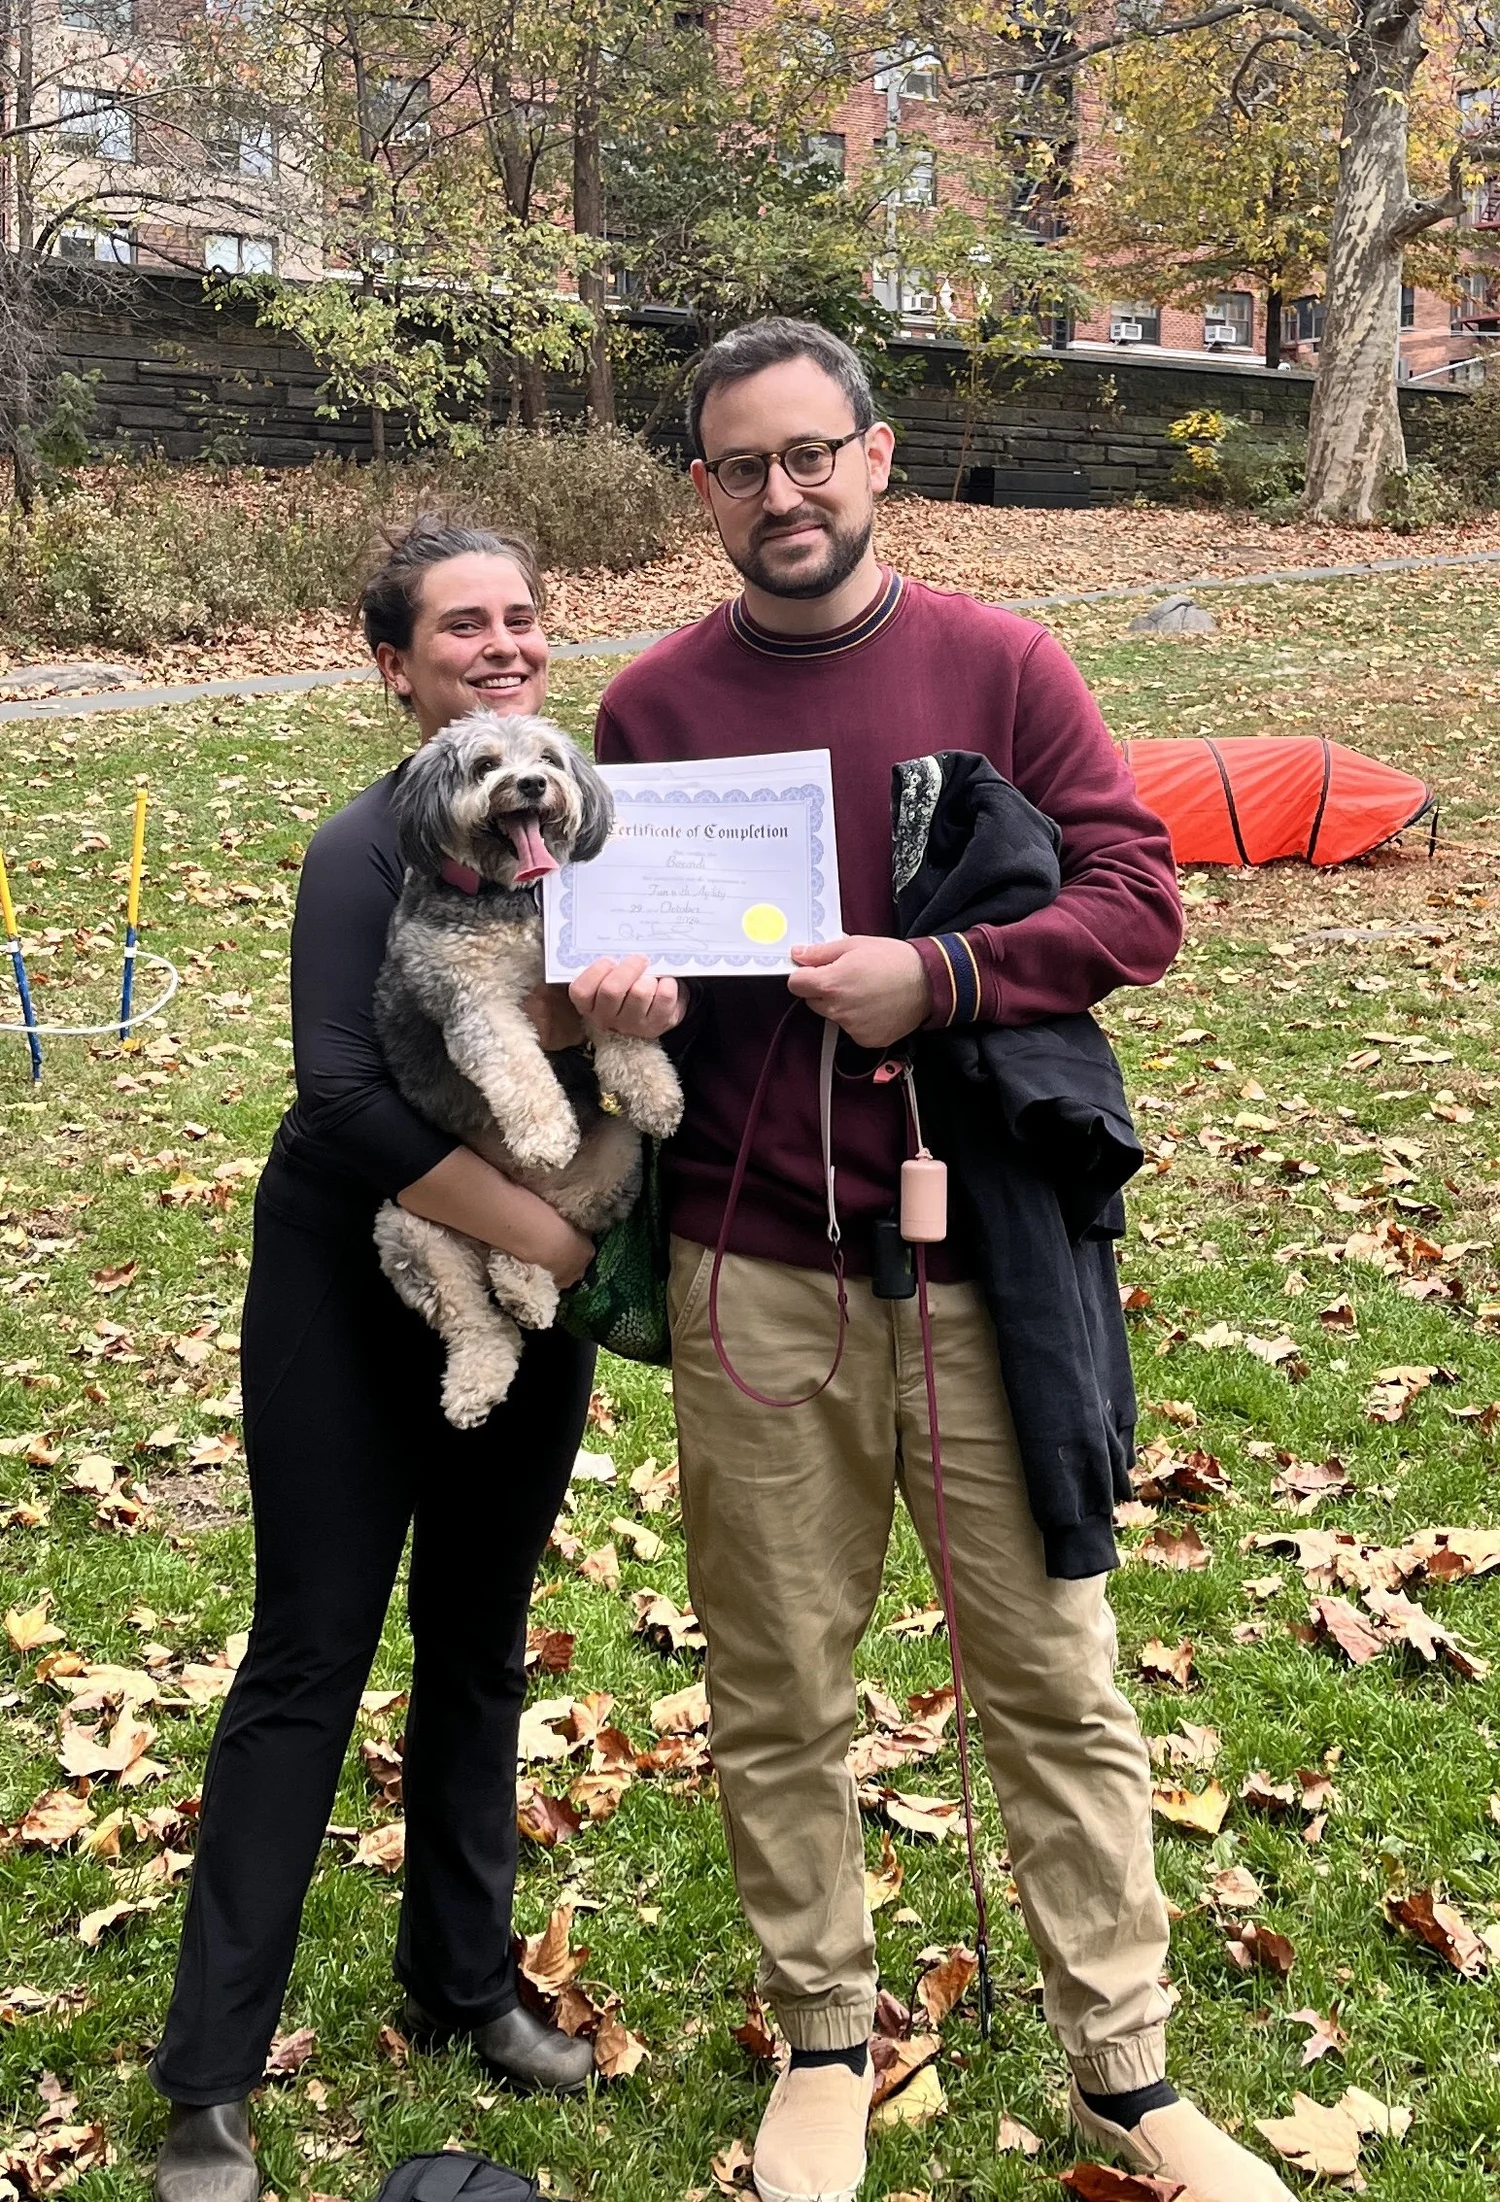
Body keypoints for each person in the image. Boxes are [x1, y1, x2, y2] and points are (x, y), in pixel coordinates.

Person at [569, 320, 1295, 2202]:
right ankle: (824, 2035)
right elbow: (603, 978)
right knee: (777, 1677)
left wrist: (945, 976)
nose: (784, 492)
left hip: (979, 1263)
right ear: (706, 489)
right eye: (744, 465)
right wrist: (611, 1007)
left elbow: (1137, 892)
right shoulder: (649, 710)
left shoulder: (1001, 663)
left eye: (815, 453)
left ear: (880, 458)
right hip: (753, 1270)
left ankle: (1125, 2075)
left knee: (1053, 1670)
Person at [150, 522, 599, 2202]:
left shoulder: (571, 834)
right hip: (350, 1283)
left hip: (519, 1287)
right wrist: (555, 1237)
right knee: (310, 1656)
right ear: (394, 667)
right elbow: (344, 1097)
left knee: (480, 1644)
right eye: (459, 628)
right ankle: (210, 2080)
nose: (500, 646)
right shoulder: (361, 852)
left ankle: (463, 1980)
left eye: (521, 621)